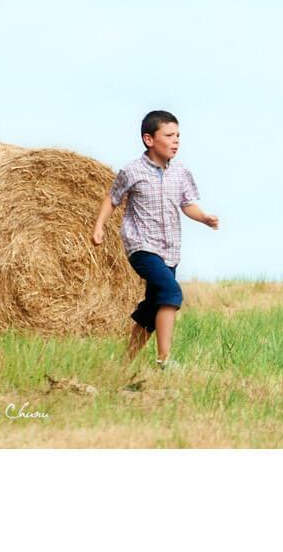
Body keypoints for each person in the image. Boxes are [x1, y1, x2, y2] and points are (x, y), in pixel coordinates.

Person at [92, 110, 219, 370]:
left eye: (178, 135)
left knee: (152, 307)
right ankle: (164, 361)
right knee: (170, 292)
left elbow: (187, 204)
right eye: (169, 135)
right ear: (149, 139)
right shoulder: (132, 171)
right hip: (141, 246)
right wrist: (99, 227)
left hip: (170, 248)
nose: (176, 141)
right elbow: (112, 198)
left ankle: (122, 364)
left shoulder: (181, 171)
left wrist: (204, 217)